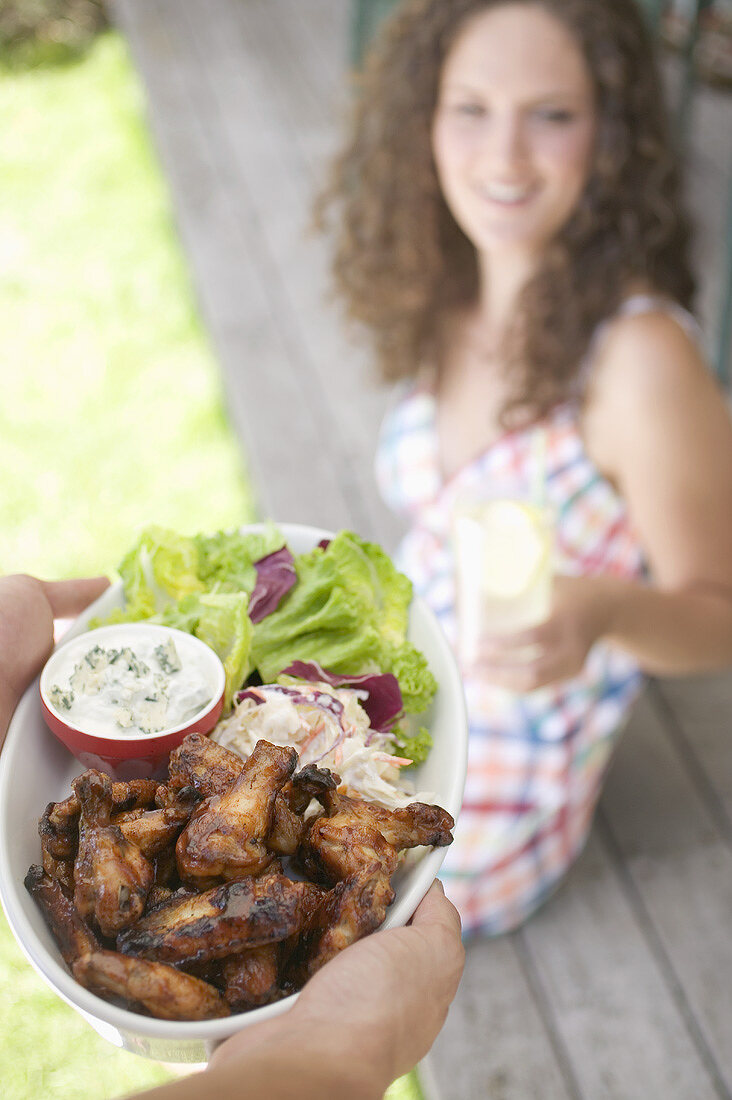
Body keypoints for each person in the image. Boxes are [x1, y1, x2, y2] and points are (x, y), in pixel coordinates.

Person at [319, 0, 732, 936]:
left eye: (551, 114)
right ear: (422, 117)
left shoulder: (640, 363)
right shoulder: (449, 284)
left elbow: (723, 616)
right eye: (470, 109)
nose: (503, 158)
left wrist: (607, 612)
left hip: (486, 801)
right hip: (389, 708)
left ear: (612, 136)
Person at [0, 572, 464, 1099]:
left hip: (227, 864)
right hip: (221, 877)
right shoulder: (224, 843)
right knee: (174, 897)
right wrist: (352, 1048)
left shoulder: (245, 827)